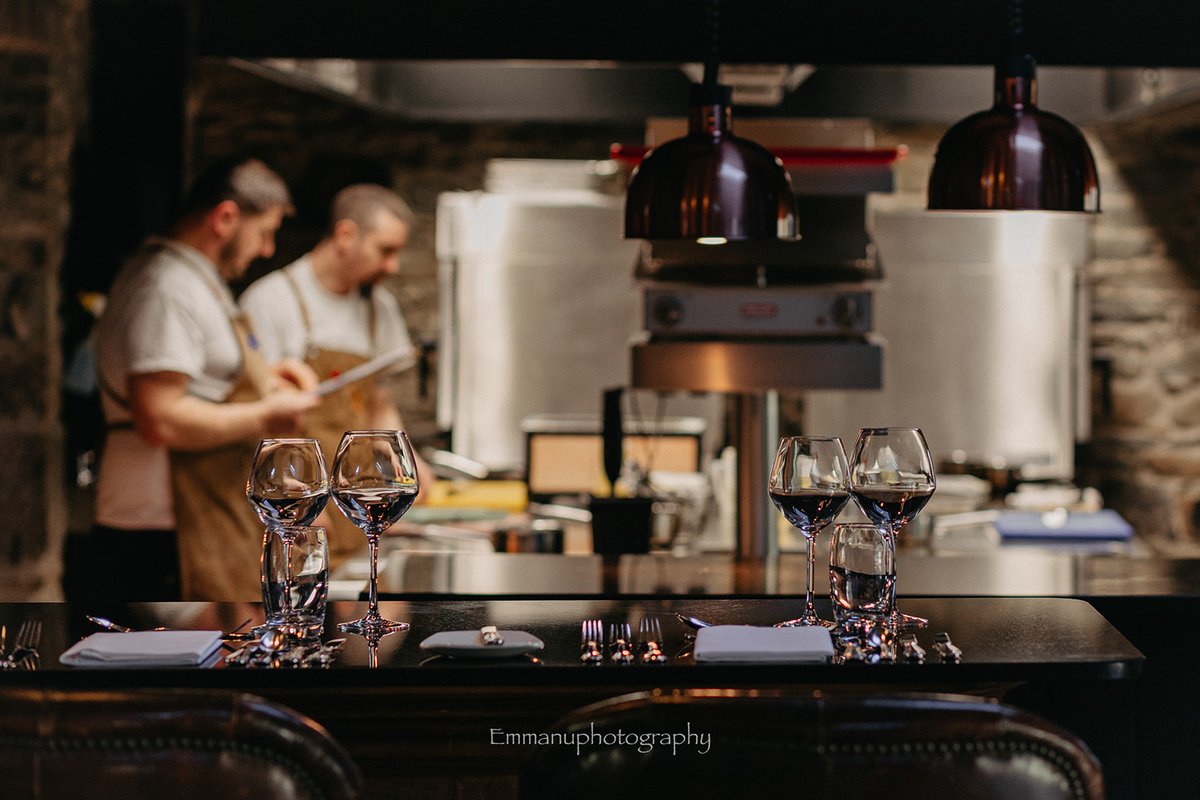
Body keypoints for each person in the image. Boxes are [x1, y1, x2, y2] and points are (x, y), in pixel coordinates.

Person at [93, 156, 319, 601]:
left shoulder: (196, 281)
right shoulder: (165, 286)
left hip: (205, 512)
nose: (268, 250)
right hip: (161, 526)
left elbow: (197, 381)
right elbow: (161, 418)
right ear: (226, 217)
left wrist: (266, 378)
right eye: (265, 233)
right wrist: (266, 413)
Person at [239, 184, 431, 567]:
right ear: (346, 235)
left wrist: (407, 464)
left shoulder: (381, 308)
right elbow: (258, 413)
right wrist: (298, 502)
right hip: (297, 504)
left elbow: (379, 401)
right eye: (386, 250)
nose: (392, 267)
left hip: (353, 499)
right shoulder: (272, 299)